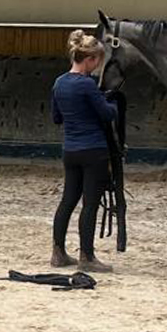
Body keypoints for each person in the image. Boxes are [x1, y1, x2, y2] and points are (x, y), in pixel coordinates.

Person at [50, 29, 118, 273]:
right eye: (96, 60)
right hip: (93, 150)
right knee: (90, 203)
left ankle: (58, 251)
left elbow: (57, 117)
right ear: (89, 59)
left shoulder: (59, 83)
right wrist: (112, 103)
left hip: (70, 149)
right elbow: (106, 114)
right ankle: (86, 256)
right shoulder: (87, 85)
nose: (97, 65)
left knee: (68, 200)